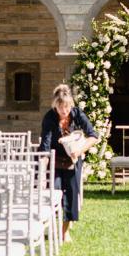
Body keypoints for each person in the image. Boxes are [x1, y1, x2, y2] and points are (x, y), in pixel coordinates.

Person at [38, 83, 97, 243]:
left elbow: (93, 136)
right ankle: (52, 227)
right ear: (54, 105)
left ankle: (64, 232)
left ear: (71, 104)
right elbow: (45, 147)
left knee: (71, 195)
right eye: (60, 107)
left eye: (67, 107)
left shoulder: (77, 114)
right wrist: (43, 174)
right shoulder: (49, 118)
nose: (64, 111)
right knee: (54, 193)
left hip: (73, 159)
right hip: (55, 160)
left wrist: (80, 150)